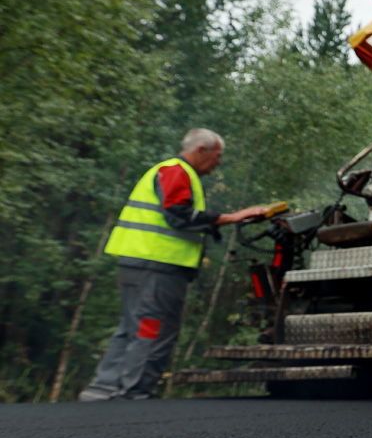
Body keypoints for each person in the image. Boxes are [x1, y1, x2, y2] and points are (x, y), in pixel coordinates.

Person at [78, 129, 267, 401]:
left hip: (140, 263)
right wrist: (232, 218)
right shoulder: (177, 171)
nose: (219, 162)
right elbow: (178, 214)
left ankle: (103, 390)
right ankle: (134, 394)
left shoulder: (170, 171)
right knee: (152, 327)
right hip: (157, 265)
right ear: (201, 150)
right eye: (218, 155)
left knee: (134, 326)